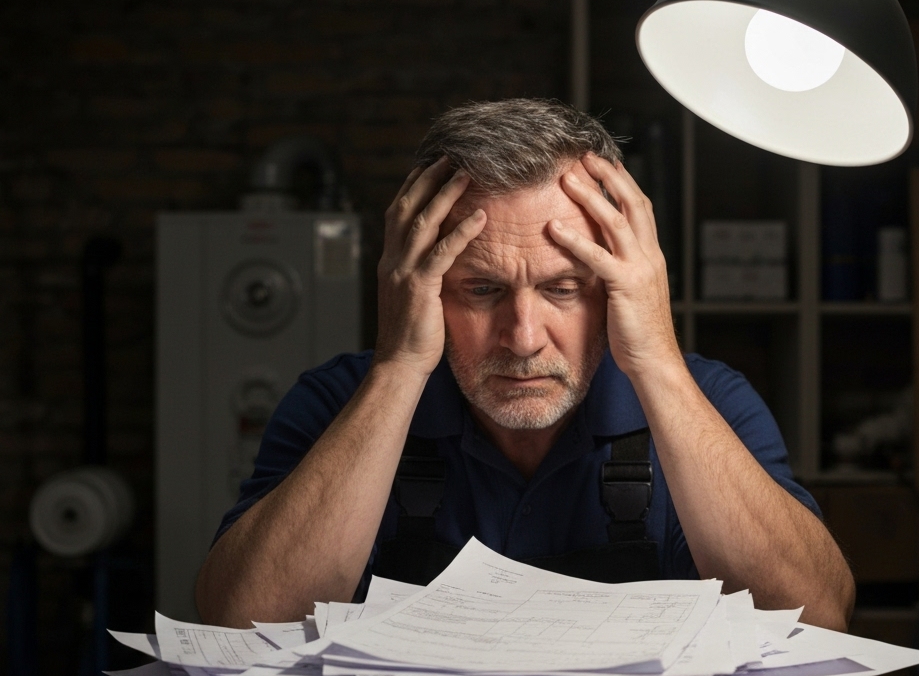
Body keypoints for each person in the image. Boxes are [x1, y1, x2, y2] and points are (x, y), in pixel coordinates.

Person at [196, 99, 854, 631]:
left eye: (564, 288)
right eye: (481, 290)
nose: (523, 337)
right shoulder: (336, 403)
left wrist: (656, 360)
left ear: (622, 284)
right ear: (414, 283)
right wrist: (398, 367)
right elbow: (241, 623)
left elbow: (818, 618)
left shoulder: (710, 401)